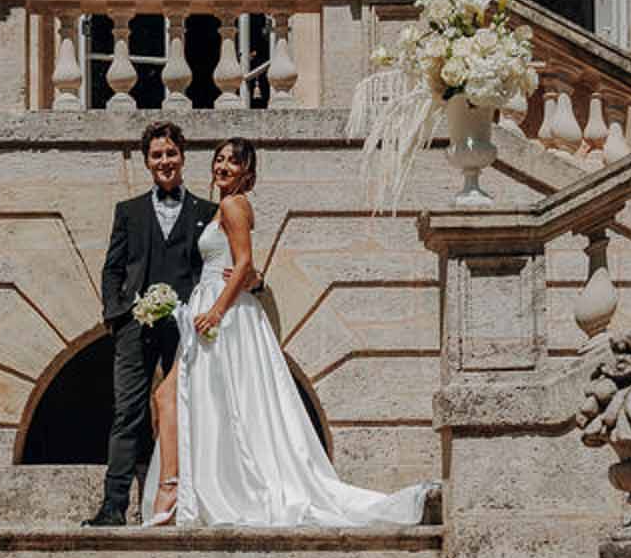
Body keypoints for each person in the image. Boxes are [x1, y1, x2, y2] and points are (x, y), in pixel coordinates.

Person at [143, 139, 435, 528]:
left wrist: (216, 310)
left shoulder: (233, 205)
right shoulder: (225, 208)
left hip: (222, 313)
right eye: (220, 159)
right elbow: (245, 268)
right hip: (216, 305)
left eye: (234, 162)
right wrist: (241, 285)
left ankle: (186, 489)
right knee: (202, 399)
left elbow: (245, 262)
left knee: (202, 398)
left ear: (248, 172)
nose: (223, 166)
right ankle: (189, 488)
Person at [83, 122, 252, 526]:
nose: (165, 162)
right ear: (147, 162)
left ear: (182, 158)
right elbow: (113, 268)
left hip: (187, 324)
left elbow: (231, 260)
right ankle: (113, 507)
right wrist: (117, 315)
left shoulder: (208, 211)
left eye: (171, 154)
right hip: (134, 326)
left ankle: (187, 498)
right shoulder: (128, 211)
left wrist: (253, 280)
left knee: (188, 407)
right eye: (157, 155)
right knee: (127, 412)